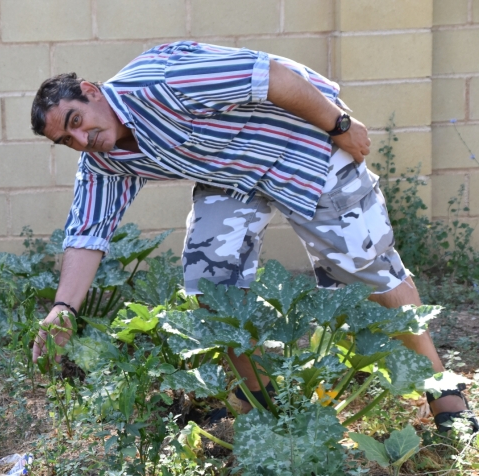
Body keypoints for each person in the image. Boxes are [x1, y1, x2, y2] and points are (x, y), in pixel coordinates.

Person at [28, 41, 477, 433]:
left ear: (90, 91)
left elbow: (272, 77)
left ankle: (444, 393)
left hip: (304, 142)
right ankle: (266, 409)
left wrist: (340, 125)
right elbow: (87, 232)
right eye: (68, 140)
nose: (83, 139)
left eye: (77, 120)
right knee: (210, 282)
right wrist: (63, 309)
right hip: (230, 173)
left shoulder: (162, 81)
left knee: (369, 270)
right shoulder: (104, 160)